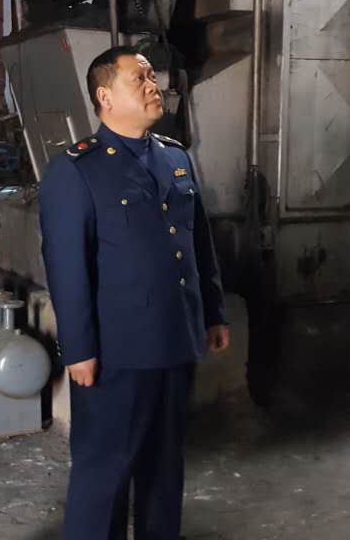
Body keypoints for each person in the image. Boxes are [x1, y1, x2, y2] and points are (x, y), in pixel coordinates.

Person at [38, 46, 231, 540]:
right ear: (105, 96)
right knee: (104, 473)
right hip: (117, 352)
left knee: (165, 470)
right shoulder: (76, 170)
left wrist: (213, 313)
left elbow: (198, 243)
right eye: (138, 79)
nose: (153, 86)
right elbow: (67, 268)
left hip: (175, 340)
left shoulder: (175, 157)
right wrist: (78, 349)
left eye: (152, 77)